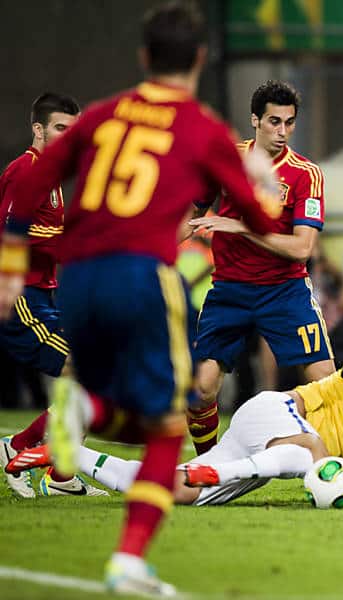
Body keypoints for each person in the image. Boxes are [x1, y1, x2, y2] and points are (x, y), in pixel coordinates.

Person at [0, 3, 277, 594]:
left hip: (76, 279)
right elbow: (257, 219)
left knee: (133, 406)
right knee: (169, 424)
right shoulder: (202, 127)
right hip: (139, 277)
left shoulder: (103, 114)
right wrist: (264, 181)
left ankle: (84, 411)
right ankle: (128, 558)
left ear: (144, 56)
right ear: (200, 58)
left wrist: (9, 269)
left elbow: (29, 182)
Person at [8, 344, 343, 509]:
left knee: (173, 492)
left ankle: (70, 453)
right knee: (315, 454)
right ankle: (218, 471)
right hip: (274, 414)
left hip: (266, 455)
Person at [185, 80, 334, 456]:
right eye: (274, 121)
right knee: (201, 389)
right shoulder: (226, 160)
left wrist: (243, 227)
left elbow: (302, 248)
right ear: (255, 120)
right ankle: (210, 466)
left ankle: (333, 466)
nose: (282, 131)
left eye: (289, 122)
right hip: (229, 290)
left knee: (328, 387)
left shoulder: (306, 174)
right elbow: (190, 216)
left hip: (284, 291)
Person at [0, 92, 101, 498]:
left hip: (44, 294)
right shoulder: (25, 171)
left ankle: (60, 474)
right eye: (60, 128)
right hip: (21, 297)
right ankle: (18, 447)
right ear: (38, 129)